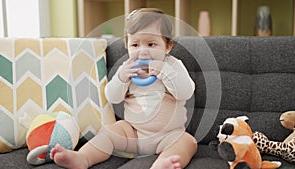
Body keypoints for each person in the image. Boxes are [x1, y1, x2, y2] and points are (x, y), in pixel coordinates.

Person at [50, 8, 197, 169]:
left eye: (151, 44)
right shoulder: (127, 68)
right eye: (135, 44)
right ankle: (83, 157)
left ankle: (163, 164)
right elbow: (112, 97)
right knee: (110, 132)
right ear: (127, 46)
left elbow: (186, 92)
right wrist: (121, 78)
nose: (143, 51)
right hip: (133, 133)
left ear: (167, 46)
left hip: (168, 135)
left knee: (188, 142)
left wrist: (165, 72)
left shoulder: (173, 65)